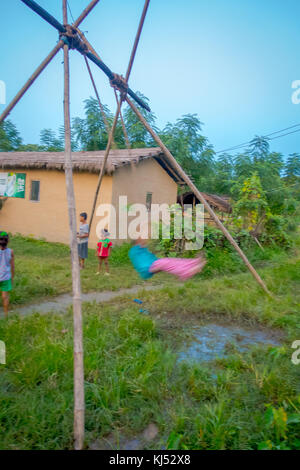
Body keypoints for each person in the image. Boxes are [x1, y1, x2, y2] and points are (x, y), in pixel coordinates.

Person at [129, 238, 206, 281]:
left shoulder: (141, 250)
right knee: (169, 263)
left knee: (172, 261)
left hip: (153, 265)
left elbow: (148, 256)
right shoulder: (135, 250)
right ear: (137, 242)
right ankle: (188, 271)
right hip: (149, 268)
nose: (144, 241)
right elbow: (141, 263)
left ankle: (194, 263)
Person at [0, 232, 14, 318]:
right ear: (8, 241)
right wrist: (12, 277)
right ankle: (6, 315)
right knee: (5, 297)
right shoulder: (11, 251)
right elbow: (13, 266)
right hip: (6, 278)